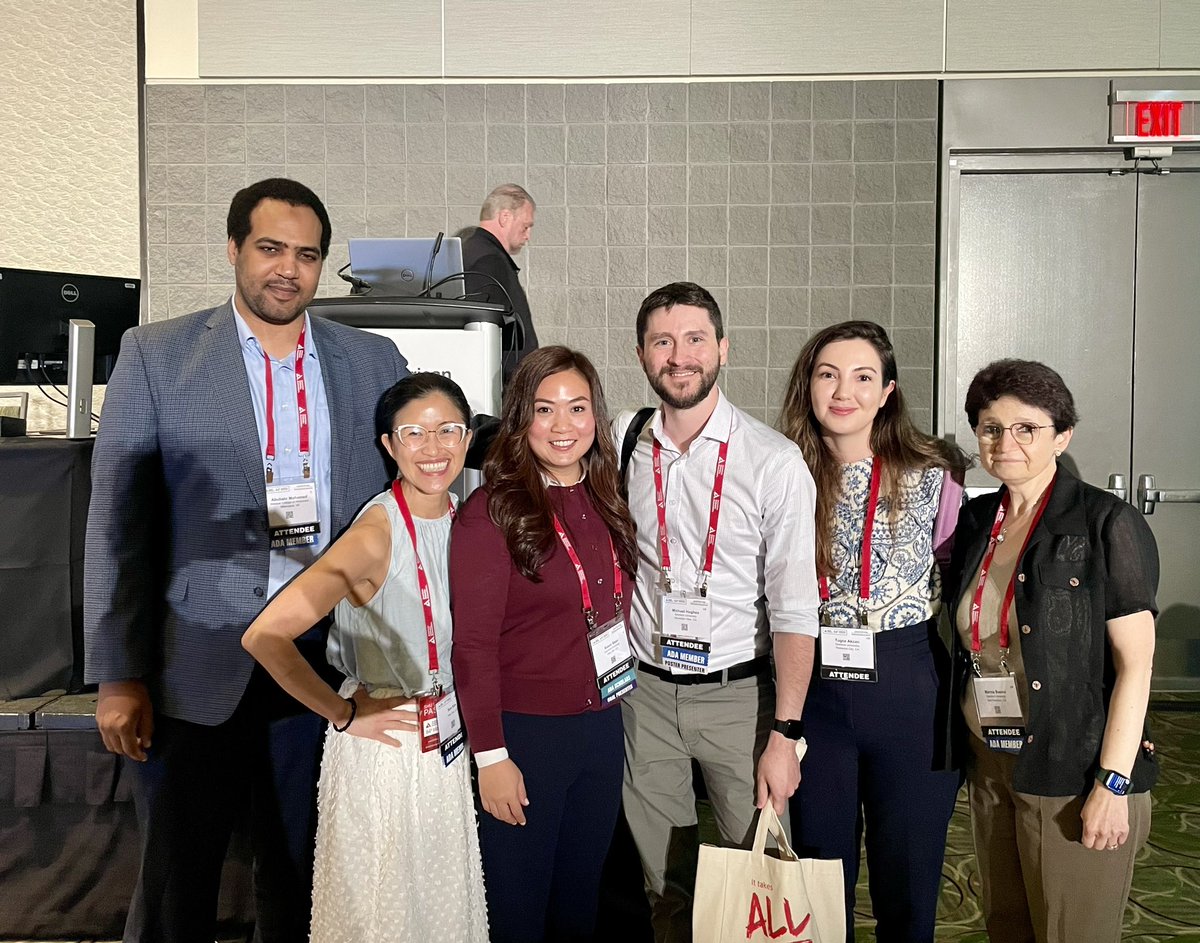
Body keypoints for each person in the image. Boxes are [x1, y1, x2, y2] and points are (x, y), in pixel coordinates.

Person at [84, 177, 407, 942]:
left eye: (307, 254)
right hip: (196, 666)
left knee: (305, 879)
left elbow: (412, 492)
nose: (288, 269)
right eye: (270, 248)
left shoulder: (373, 360)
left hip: (325, 659)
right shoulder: (157, 356)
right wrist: (118, 674)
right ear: (233, 249)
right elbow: (118, 524)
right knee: (178, 884)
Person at [241, 373, 487, 942]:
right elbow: (265, 636)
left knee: (441, 912)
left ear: (468, 439)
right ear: (389, 446)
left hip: (446, 741)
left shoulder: (464, 516)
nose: (433, 447)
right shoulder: (376, 532)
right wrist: (343, 712)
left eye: (447, 430)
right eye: (414, 433)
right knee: (383, 916)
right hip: (387, 746)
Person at [620, 281, 820, 940]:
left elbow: (795, 610)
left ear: (723, 348)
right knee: (663, 883)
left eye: (695, 339)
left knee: (758, 880)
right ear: (642, 354)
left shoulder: (773, 461)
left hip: (740, 701)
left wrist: (785, 734)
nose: (680, 356)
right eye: (663, 341)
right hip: (645, 695)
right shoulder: (622, 442)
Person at [948, 359, 1158, 943]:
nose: (1005, 443)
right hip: (993, 756)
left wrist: (1113, 784)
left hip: (1074, 765)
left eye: (1027, 428)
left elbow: (1136, 666)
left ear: (1062, 436)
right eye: (991, 428)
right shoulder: (977, 519)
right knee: (1006, 926)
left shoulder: (1106, 523)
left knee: (1071, 932)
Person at [778, 320, 966, 942]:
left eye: (863, 377)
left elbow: (965, 583)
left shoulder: (934, 477)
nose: (843, 392)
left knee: (908, 880)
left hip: (909, 689)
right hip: (814, 691)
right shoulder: (781, 474)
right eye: (827, 375)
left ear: (887, 392)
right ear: (807, 384)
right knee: (819, 878)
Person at [450, 346, 638, 943]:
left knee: (579, 907)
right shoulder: (491, 511)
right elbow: (472, 647)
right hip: (526, 739)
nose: (563, 425)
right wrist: (491, 757)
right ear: (520, 418)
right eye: (544, 409)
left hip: (601, 729)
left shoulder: (606, 496)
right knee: (519, 913)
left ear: (595, 416)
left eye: (577, 408)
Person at [462, 183, 539, 383]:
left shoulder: (478, 252)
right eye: (526, 226)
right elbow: (483, 330)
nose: (528, 236)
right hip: (500, 383)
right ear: (505, 217)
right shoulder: (488, 260)